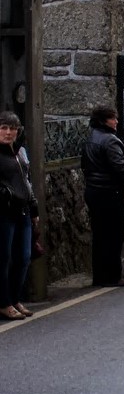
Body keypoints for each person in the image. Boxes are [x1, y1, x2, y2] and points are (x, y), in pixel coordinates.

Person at [81, 105, 124, 287]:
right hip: (110, 192)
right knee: (115, 235)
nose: (117, 121)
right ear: (105, 120)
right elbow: (120, 168)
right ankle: (113, 275)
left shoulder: (91, 139)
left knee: (100, 235)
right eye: (114, 118)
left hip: (94, 191)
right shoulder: (110, 141)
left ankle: (100, 276)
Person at [0, 112, 38, 320]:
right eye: (4, 128)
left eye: (12, 128)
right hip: (4, 213)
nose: (8, 132)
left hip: (23, 211)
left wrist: (34, 210)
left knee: (23, 257)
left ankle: (14, 299)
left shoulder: (20, 152)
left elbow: (27, 182)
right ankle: (4, 303)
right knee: (3, 259)